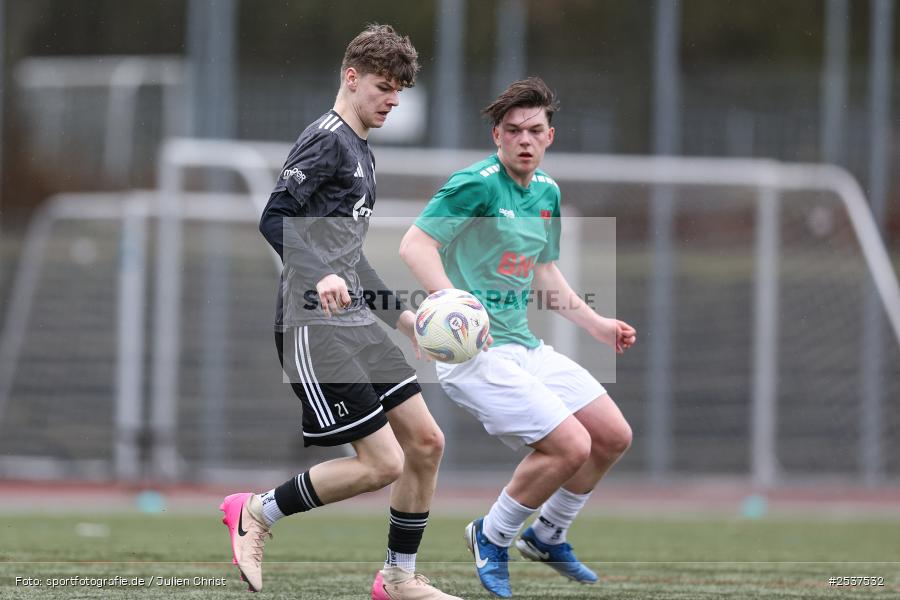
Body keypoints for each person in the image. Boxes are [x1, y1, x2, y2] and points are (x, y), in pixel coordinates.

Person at [220, 24, 462, 600]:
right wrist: (321, 272)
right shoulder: (326, 138)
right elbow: (274, 217)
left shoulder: (363, 154)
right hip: (312, 325)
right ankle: (256, 511)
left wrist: (405, 320)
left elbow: (350, 263)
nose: (393, 100)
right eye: (384, 87)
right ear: (351, 79)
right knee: (382, 464)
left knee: (426, 443)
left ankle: (398, 579)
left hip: (354, 322)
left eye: (400, 90)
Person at [399, 77, 636, 598]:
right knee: (570, 445)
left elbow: (545, 271)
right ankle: (492, 534)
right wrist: (456, 308)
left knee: (612, 436)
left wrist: (597, 324)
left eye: (534, 130)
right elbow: (415, 244)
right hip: (474, 356)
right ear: (497, 137)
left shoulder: (547, 191)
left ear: (550, 136)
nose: (524, 139)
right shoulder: (476, 184)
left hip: (526, 347)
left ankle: (548, 536)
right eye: (513, 131)